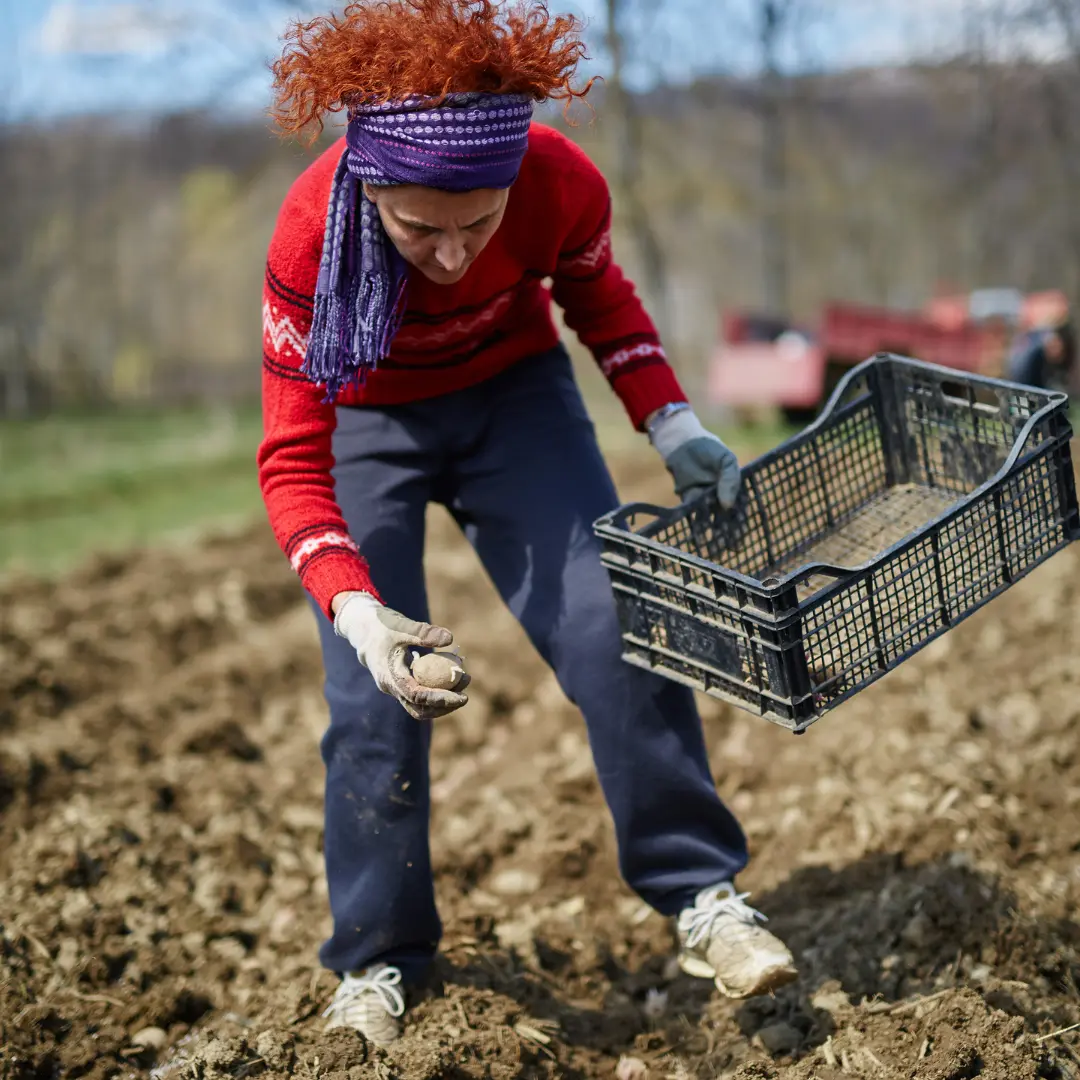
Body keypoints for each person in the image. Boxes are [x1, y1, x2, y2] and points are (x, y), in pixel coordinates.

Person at [258, 0, 797, 1047]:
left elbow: (597, 295)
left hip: (513, 396)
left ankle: (702, 898)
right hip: (368, 418)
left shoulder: (557, 180)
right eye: (420, 229)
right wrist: (359, 615)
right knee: (375, 708)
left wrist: (672, 420)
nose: (453, 255)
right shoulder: (309, 236)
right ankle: (377, 962)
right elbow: (290, 458)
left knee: (615, 633)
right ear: (370, 186)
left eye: (478, 223)